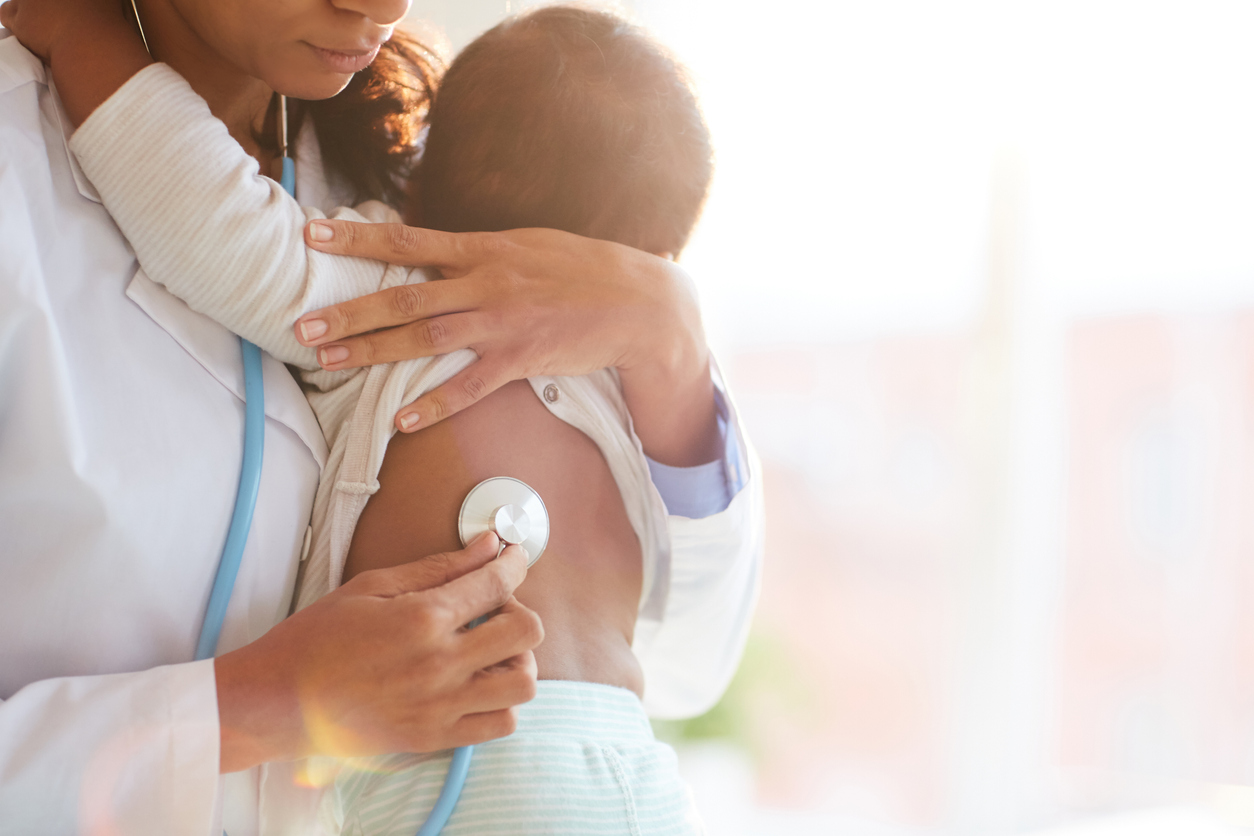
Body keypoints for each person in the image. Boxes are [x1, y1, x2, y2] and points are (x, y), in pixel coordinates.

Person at [0, 1, 762, 835]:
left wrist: (671, 342)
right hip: (621, 778)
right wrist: (255, 704)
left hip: (509, 768)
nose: (388, 9)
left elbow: (689, 652)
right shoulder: (433, 278)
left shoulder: (425, 261)